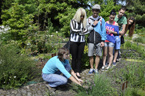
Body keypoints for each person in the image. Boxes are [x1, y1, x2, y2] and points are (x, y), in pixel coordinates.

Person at [87, 4, 106, 74]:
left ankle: (96, 68)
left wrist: (103, 40)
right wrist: (93, 25)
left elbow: (104, 30)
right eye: (94, 11)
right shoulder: (88, 19)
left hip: (99, 40)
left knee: (98, 55)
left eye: (97, 12)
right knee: (90, 55)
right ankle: (91, 68)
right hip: (90, 40)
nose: (95, 13)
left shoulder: (101, 19)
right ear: (92, 11)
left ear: (98, 11)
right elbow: (86, 30)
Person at [69, 8, 88, 78]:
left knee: (79, 57)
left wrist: (81, 31)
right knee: (74, 57)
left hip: (81, 41)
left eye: (83, 16)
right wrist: (81, 31)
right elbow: (73, 29)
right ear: (77, 15)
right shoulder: (73, 21)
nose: (82, 17)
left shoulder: (84, 22)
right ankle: (73, 71)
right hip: (74, 41)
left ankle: (78, 71)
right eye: (81, 16)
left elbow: (86, 30)